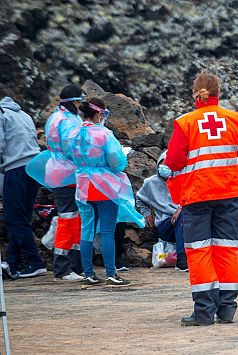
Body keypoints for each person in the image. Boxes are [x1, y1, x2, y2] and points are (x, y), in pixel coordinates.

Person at [165, 72, 238, 326]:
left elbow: (173, 161)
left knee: (199, 251)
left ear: (195, 94)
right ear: (218, 93)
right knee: (226, 249)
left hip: (197, 196)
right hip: (229, 194)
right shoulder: (235, 120)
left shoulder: (185, 123)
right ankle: (227, 308)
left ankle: (203, 311)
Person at [65, 97, 145, 287]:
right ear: (100, 113)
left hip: (83, 186)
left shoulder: (73, 133)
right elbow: (117, 161)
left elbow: (68, 156)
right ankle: (111, 274)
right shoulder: (104, 134)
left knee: (87, 231)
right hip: (104, 186)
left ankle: (88, 273)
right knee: (108, 232)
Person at [27, 85, 85, 281]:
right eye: (79, 101)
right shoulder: (64, 119)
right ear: (73, 101)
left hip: (68, 172)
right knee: (68, 218)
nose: (81, 105)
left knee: (75, 218)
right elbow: (73, 146)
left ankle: (76, 265)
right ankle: (62, 268)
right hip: (65, 173)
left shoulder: (65, 117)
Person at [0, 91, 47, 279]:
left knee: (14, 218)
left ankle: (35, 262)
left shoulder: (2, 114)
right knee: (21, 218)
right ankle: (12, 263)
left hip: (16, 168)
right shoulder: (24, 114)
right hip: (34, 169)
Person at [136, 151, 186, 271]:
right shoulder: (150, 182)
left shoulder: (181, 179)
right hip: (165, 225)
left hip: (183, 221)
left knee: (183, 215)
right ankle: (182, 260)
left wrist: (179, 210)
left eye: (169, 164)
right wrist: (146, 213)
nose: (165, 167)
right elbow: (139, 198)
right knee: (181, 216)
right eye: (163, 164)